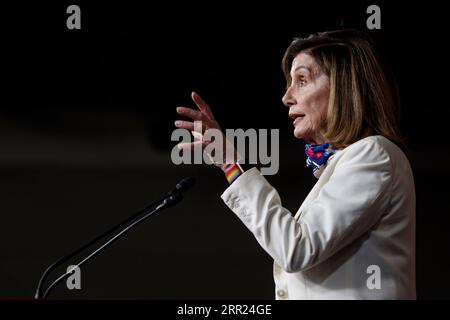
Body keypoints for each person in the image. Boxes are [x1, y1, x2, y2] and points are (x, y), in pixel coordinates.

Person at [174, 29, 416, 299]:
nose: (286, 97)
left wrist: (232, 164)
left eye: (302, 80)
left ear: (343, 87)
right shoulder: (351, 161)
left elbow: (296, 249)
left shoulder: (375, 154)